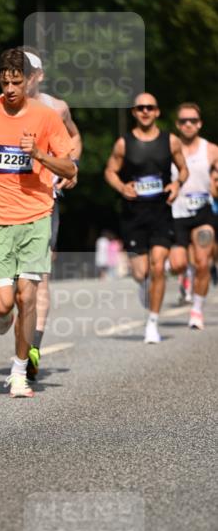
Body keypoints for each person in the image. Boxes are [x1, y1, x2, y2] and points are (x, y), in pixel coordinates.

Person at [0, 47, 76, 398]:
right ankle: (0, 316)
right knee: (3, 304)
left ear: (29, 80)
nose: (11, 88)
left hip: (36, 216)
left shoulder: (46, 117)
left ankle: (19, 371)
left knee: (28, 296)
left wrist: (39, 154)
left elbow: (69, 167)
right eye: (5, 81)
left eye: (17, 82)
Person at [104, 93, 188, 344]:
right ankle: (143, 284)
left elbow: (183, 168)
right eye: (140, 108)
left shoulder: (170, 141)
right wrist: (121, 188)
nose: (145, 111)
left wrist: (177, 184)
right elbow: (110, 171)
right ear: (134, 112)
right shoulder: (124, 143)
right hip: (134, 215)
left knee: (158, 265)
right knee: (141, 272)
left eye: (150, 107)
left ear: (157, 112)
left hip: (161, 212)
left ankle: (152, 323)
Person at [22, 48, 82, 379]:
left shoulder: (56, 107)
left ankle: (33, 347)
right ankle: (7, 318)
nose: (21, 76)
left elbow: (73, 137)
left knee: (40, 275)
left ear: (39, 75)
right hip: (5, 203)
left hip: (46, 200)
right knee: (9, 290)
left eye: (27, 70)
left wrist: (70, 168)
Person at [168, 103, 218, 331]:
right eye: (184, 121)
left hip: (203, 213)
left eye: (193, 121)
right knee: (177, 265)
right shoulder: (167, 147)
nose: (188, 124)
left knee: (203, 262)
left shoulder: (211, 150)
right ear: (178, 124)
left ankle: (196, 309)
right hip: (175, 213)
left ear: (200, 124)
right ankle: (184, 275)